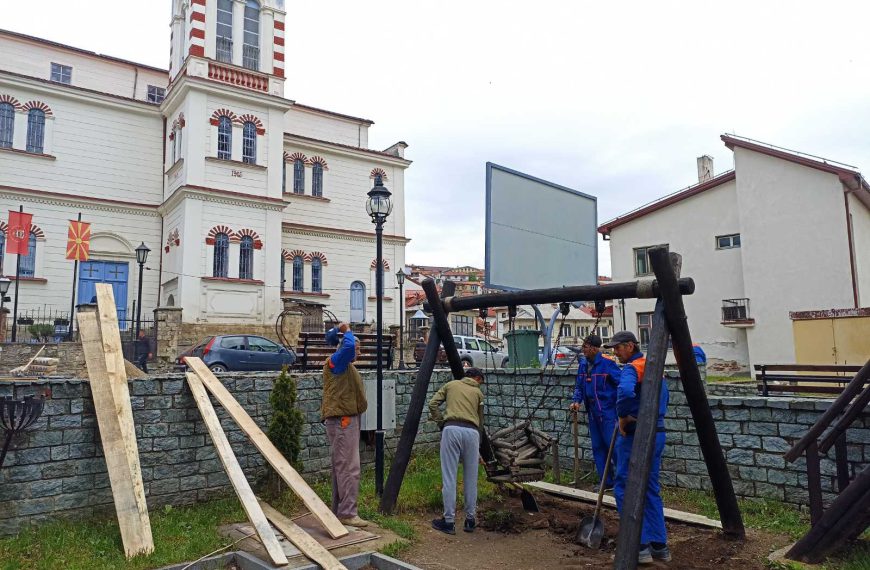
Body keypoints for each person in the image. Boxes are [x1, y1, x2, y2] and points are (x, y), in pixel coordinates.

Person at [604, 330, 670, 565]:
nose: (615, 352)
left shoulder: (633, 368)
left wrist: (623, 416)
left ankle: (638, 546)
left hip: (635, 436)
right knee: (650, 487)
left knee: (624, 486)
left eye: (618, 347)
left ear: (630, 346)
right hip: (657, 432)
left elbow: (624, 391)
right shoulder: (654, 367)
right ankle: (659, 545)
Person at [321, 323, 369, 527]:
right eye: (357, 348)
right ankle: (348, 513)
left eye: (359, 349)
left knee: (342, 466)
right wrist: (347, 330)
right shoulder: (336, 362)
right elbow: (348, 347)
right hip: (343, 422)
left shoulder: (345, 366)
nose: (358, 352)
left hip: (346, 420)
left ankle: (341, 510)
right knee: (349, 467)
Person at [428, 367, 486, 535]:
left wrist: (441, 423)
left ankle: (449, 521)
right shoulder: (478, 394)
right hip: (473, 433)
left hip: (451, 429)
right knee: (471, 478)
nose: (479, 385)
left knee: (449, 476)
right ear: (476, 378)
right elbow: (481, 422)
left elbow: (432, 404)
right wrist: (479, 447)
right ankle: (470, 520)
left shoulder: (450, 385)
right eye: (479, 382)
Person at [569, 334, 622, 489]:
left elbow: (621, 385)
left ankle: (623, 482)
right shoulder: (583, 365)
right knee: (598, 447)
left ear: (594, 348)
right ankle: (606, 481)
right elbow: (580, 386)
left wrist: (618, 407)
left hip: (607, 413)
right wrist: (576, 401)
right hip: (592, 413)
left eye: (585, 347)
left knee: (613, 447)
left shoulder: (608, 364)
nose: (583, 350)